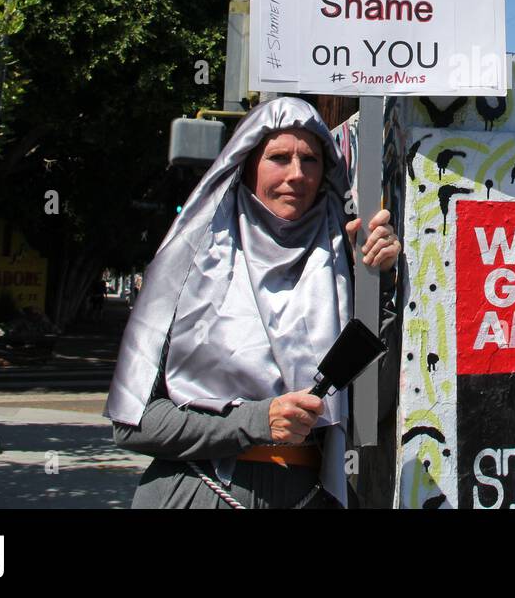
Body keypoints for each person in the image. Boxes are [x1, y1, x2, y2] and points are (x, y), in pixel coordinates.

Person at [106, 98, 401, 509]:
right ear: (245, 165)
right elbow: (133, 425)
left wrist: (376, 283)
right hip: (200, 493)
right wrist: (255, 421)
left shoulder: (341, 268)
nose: (296, 175)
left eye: (311, 160)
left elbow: (374, 406)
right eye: (279, 157)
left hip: (309, 496)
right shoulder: (189, 264)